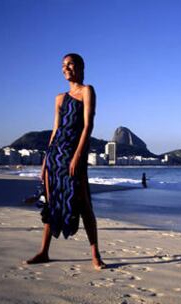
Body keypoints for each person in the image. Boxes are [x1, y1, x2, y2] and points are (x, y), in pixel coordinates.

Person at [26, 53, 106, 270]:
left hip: (73, 156)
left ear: (81, 67)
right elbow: (55, 131)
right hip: (55, 156)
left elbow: (88, 126)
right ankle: (43, 252)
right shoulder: (59, 98)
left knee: (84, 204)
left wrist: (78, 156)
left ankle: (95, 256)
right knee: (51, 203)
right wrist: (45, 160)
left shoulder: (87, 90)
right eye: (63, 65)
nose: (66, 68)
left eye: (70, 64)